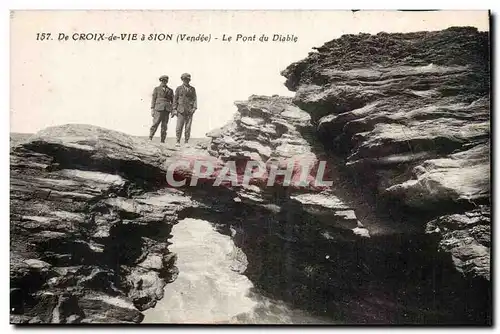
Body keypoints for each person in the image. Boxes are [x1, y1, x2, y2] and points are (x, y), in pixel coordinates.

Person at [172, 73, 197, 147]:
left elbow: (195, 99)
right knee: (179, 126)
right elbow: (175, 100)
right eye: (185, 79)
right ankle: (177, 141)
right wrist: (174, 109)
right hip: (180, 110)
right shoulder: (179, 88)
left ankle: (186, 141)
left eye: (188, 79)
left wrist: (194, 108)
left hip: (189, 110)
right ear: (182, 79)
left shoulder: (192, 89)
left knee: (188, 127)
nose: (186, 81)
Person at [149, 75, 174, 143]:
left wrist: (173, 111)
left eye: (165, 81)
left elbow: (173, 101)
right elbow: (153, 99)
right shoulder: (156, 89)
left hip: (167, 110)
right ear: (161, 81)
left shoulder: (170, 90)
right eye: (163, 81)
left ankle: (162, 141)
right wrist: (152, 109)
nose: (164, 82)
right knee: (155, 123)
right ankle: (150, 137)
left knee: (164, 126)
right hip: (158, 109)